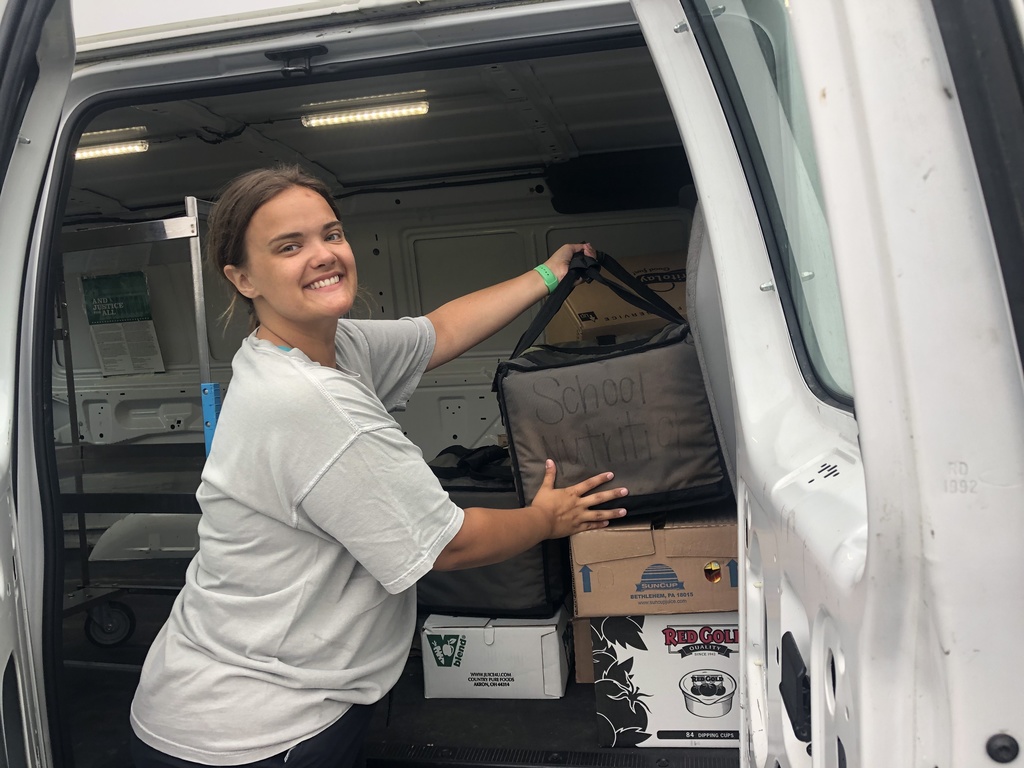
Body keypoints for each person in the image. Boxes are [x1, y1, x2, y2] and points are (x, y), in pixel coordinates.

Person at [128, 166, 628, 768]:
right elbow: (450, 545)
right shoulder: (308, 402)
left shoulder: (331, 346)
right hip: (254, 728)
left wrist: (550, 274)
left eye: (330, 234)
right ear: (242, 278)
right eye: (289, 246)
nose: (323, 255)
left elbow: (438, 331)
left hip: (252, 695)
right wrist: (547, 520)